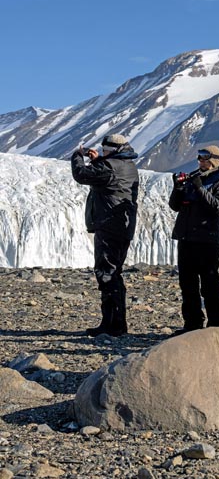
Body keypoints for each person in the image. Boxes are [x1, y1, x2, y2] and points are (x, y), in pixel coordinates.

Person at [71, 134, 139, 337]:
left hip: (110, 226)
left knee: (106, 273)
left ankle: (113, 325)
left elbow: (81, 175)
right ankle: (114, 323)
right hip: (120, 227)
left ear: (113, 149)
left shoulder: (110, 166)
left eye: (105, 150)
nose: (102, 152)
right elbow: (107, 178)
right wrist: (98, 160)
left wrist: (77, 155)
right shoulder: (127, 164)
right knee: (113, 272)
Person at [168, 146, 219, 334]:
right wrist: (178, 188)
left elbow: (217, 207)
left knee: (210, 283)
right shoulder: (193, 178)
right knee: (187, 284)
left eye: (205, 159)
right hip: (187, 238)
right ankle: (192, 324)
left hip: (206, 240)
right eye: (200, 158)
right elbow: (175, 206)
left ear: (214, 161)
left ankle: (216, 324)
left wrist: (199, 188)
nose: (201, 162)